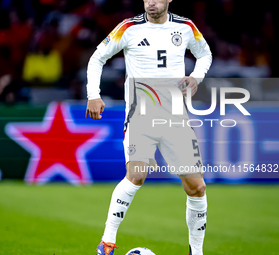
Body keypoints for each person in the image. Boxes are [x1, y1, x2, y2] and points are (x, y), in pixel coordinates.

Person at [85, 0, 212, 254]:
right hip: (140, 116)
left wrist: (195, 78)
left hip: (175, 117)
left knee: (196, 187)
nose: (150, 3)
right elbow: (98, 57)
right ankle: (107, 241)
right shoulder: (128, 28)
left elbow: (204, 54)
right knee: (137, 174)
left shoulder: (186, 27)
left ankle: (196, 252)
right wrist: (93, 94)